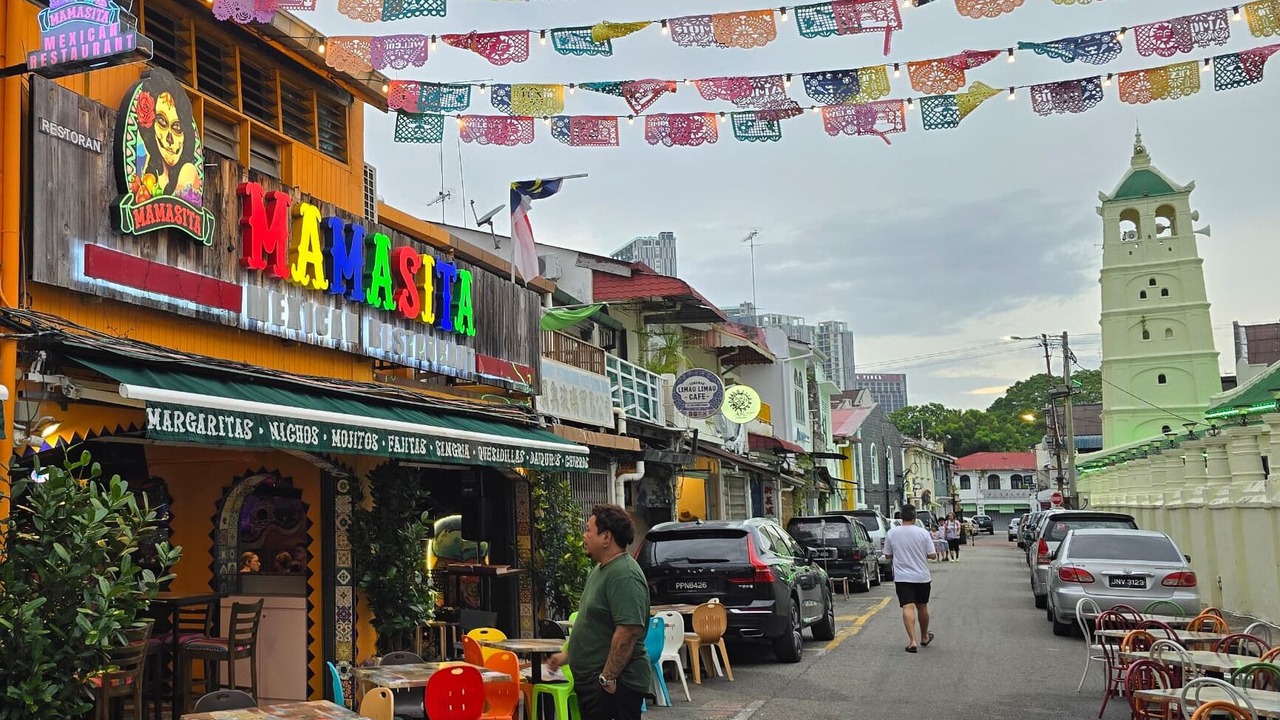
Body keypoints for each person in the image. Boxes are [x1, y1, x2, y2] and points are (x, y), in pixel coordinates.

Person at [546, 504, 651, 720]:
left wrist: (608, 678)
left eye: (588, 530)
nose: (584, 535)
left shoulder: (625, 575)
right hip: (596, 686)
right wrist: (566, 656)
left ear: (606, 537)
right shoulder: (601, 569)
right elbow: (595, 624)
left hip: (615, 686)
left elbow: (629, 630)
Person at [883, 504, 937, 653]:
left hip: (902, 577)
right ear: (915, 517)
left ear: (901, 517)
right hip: (922, 576)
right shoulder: (923, 533)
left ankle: (912, 641)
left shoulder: (892, 533)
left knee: (907, 606)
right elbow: (932, 554)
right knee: (922, 606)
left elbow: (887, 555)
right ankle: (924, 636)